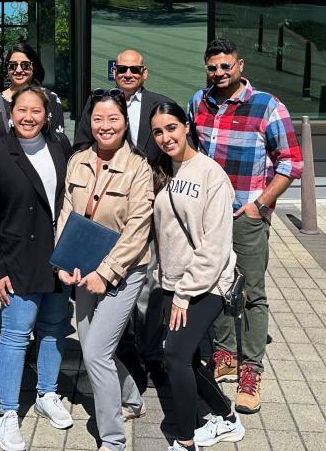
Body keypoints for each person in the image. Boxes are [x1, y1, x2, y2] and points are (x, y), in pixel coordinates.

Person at [188, 38, 303, 415]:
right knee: (215, 284)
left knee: (251, 292)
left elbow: (290, 162)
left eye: (225, 66)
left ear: (239, 66)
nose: (219, 73)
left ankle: (251, 369)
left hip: (247, 216)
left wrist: (259, 205)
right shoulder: (197, 102)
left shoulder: (267, 106)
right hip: (208, 215)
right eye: (212, 67)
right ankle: (224, 354)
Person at [0, 83, 73, 451]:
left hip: (56, 256)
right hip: (17, 259)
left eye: (36, 111)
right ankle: (7, 412)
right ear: (10, 113)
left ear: (47, 115)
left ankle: (47, 393)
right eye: (22, 111)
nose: (29, 117)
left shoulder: (59, 147)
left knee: (53, 328)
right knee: (16, 335)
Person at [57, 90, 154, 451]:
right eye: (98, 119)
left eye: (113, 119)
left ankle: (112, 439)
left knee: (96, 351)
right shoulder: (78, 160)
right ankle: (130, 400)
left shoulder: (139, 167)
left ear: (126, 122)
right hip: (82, 268)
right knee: (91, 343)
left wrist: (107, 272)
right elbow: (67, 212)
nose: (105, 126)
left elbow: (138, 228)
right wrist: (62, 262)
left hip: (125, 271)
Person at [150, 101, 244, 451]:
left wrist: (184, 294)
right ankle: (227, 419)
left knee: (174, 356)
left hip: (203, 287)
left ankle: (186, 440)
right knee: (186, 357)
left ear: (186, 126)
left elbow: (215, 245)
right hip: (171, 283)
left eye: (171, 127)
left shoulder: (210, 174)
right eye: (158, 131)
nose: (165, 137)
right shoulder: (161, 169)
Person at [73, 49, 172, 379]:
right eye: (122, 68)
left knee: (149, 283)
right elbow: (82, 146)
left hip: (150, 205)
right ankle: (124, 355)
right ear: (114, 71)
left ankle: (151, 352)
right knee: (113, 288)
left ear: (144, 73)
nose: (128, 73)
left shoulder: (159, 103)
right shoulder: (98, 103)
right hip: (106, 215)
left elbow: (176, 150)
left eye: (134, 69)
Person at [0, 41, 65, 140]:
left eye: (25, 65)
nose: (18, 70)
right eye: (12, 65)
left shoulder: (51, 99)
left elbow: (58, 140)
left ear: (34, 67)